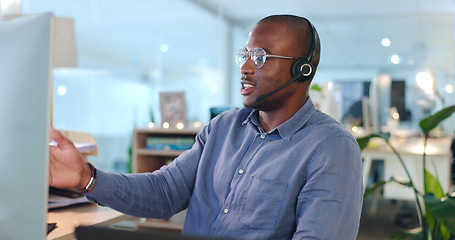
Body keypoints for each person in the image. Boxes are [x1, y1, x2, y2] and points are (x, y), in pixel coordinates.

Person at [49, 14, 363, 240]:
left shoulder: (331, 147)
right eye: (244, 54)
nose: (245, 67)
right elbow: (164, 192)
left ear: (302, 70)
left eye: (260, 56)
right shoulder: (222, 128)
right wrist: (85, 178)